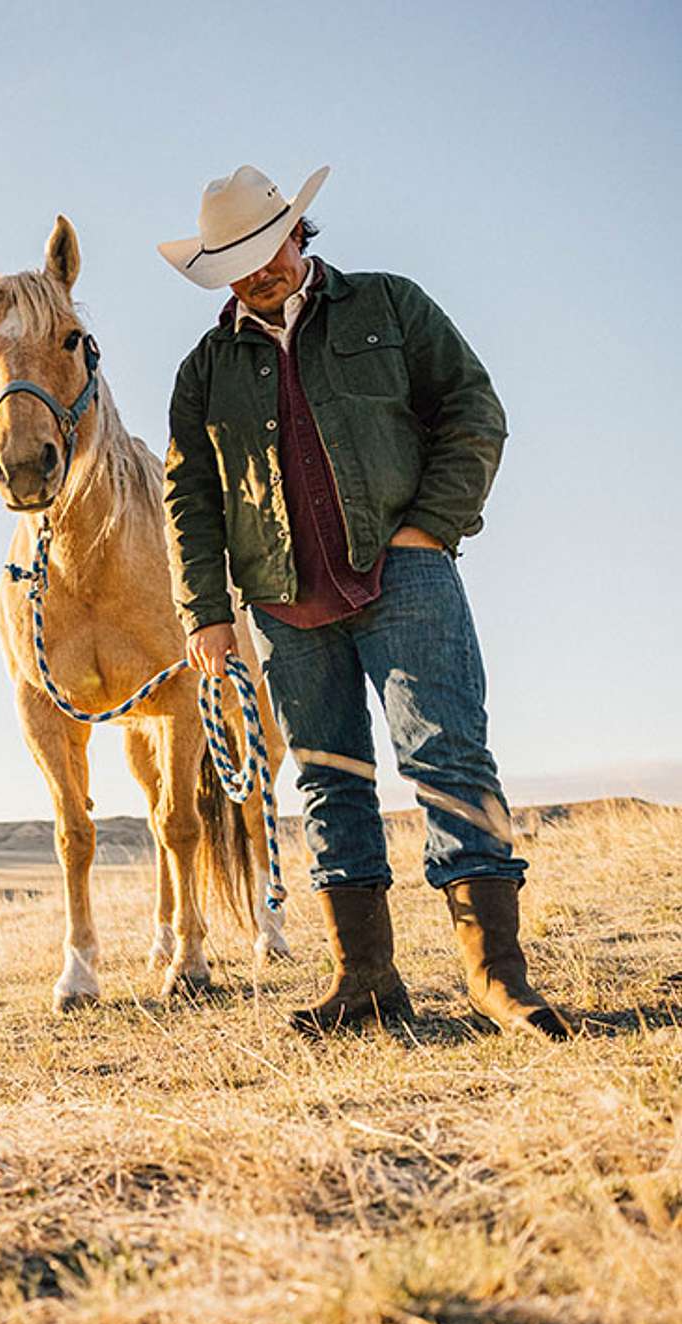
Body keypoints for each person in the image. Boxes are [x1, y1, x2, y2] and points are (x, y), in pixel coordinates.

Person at [157, 163, 570, 1040]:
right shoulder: (203, 371)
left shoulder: (388, 305)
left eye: (267, 250)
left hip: (403, 572)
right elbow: (188, 498)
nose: (258, 272)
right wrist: (206, 613)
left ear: (298, 236)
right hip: (280, 603)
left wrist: (432, 526)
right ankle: (366, 981)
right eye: (237, 263)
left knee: (448, 759)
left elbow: (473, 407)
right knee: (327, 783)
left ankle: (497, 976)